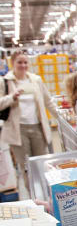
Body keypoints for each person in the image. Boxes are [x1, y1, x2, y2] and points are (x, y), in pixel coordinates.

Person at [0, 49, 58, 178]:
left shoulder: (36, 80)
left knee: (42, 164)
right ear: (12, 63)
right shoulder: (5, 81)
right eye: (19, 62)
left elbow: (48, 101)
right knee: (26, 167)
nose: (23, 65)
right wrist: (12, 97)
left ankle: (46, 194)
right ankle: (33, 196)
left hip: (38, 128)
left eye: (25, 62)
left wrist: (60, 117)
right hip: (18, 130)